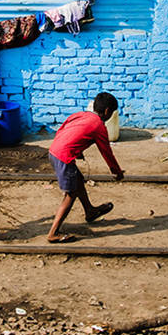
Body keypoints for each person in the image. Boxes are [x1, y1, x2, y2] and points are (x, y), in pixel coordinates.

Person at [45, 93, 125, 243]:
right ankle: (53, 233)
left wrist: (78, 150)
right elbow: (106, 152)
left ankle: (90, 211)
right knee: (71, 194)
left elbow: (63, 130)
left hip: (54, 151)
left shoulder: (80, 115)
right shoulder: (99, 126)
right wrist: (117, 172)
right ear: (107, 111)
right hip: (64, 157)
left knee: (78, 180)